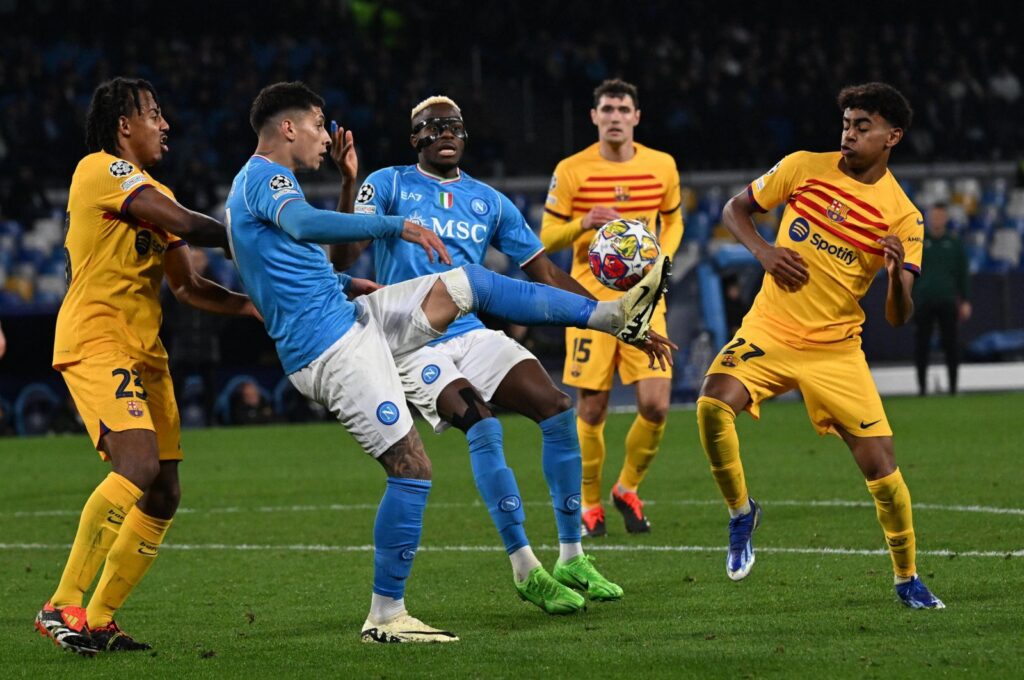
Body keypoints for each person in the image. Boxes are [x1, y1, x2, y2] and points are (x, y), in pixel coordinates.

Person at [225, 82, 672, 643]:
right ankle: (400, 611)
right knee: (418, 464)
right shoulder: (316, 180)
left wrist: (342, 281)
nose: (325, 132)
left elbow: (292, 264)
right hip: (346, 344)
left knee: (473, 288)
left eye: (454, 127)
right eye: (318, 122)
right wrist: (394, 222)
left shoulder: (487, 199)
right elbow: (305, 229)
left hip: (363, 317)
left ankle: (607, 319)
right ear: (288, 127)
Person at [333, 96, 630, 613]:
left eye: (453, 125)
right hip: (408, 337)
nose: (444, 132)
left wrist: (612, 314)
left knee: (558, 410)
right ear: (415, 139)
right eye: (432, 126)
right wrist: (346, 182)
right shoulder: (385, 184)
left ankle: (571, 555)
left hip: (472, 334)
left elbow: (544, 276)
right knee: (484, 424)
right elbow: (342, 256)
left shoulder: (489, 201)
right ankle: (525, 569)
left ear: (465, 137)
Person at [695, 82, 944, 609]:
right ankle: (742, 513)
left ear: (892, 136)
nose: (848, 134)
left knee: (882, 470)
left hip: (836, 350)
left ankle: (907, 578)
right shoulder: (804, 166)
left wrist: (898, 279)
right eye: (847, 124)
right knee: (712, 404)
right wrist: (763, 251)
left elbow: (899, 319)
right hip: (769, 329)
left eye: (862, 126)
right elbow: (734, 209)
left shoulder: (903, 216)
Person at [36, 77, 262, 656]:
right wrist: (257, 237)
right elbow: (186, 223)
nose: (165, 125)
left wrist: (256, 306)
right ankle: (62, 602)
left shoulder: (155, 193)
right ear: (124, 126)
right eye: (154, 114)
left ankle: (98, 618)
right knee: (136, 463)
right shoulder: (102, 170)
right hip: (98, 337)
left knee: (163, 493)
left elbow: (189, 288)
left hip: (144, 351)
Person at [541, 79, 683, 537]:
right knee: (593, 407)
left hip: (645, 298)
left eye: (624, 109)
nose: (616, 116)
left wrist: (664, 258)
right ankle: (590, 503)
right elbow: (543, 238)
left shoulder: (662, 165)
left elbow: (674, 217)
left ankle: (627, 488)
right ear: (594, 116)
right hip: (587, 301)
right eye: (608, 109)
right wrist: (582, 222)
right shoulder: (571, 170)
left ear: (636, 117)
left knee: (656, 404)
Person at [913, 203, 970, 396]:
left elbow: (962, 274)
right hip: (924, 300)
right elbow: (909, 273)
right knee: (921, 345)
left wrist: (965, 300)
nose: (937, 220)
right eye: (934, 216)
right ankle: (921, 389)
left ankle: (953, 388)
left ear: (945, 218)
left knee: (951, 344)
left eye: (940, 216)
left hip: (947, 300)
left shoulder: (954, 243)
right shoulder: (919, 242)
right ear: (928, 218)